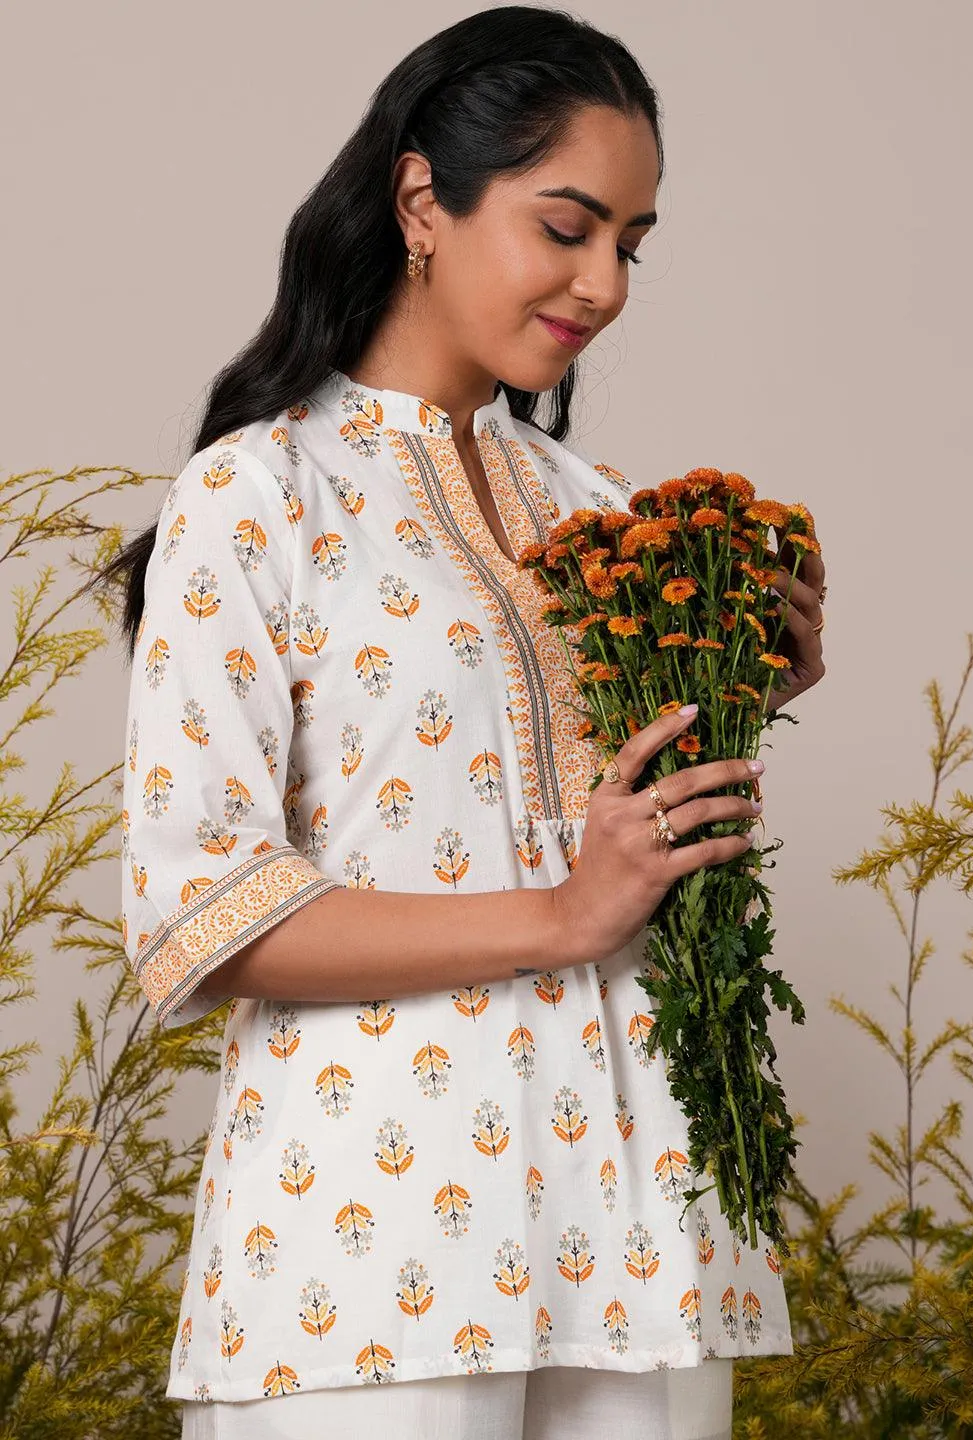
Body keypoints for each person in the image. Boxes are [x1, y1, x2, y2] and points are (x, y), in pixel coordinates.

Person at [98, 6, 827, 1437]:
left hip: (643, 1229)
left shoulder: (601, 513)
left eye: (632, 244)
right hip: (378, 1237)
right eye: (567, 226)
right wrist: (562, 916)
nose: (604, 283)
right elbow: (200, 913)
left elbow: (625, 852)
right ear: (424, 198)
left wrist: (732, 700)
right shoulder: (259, 494)